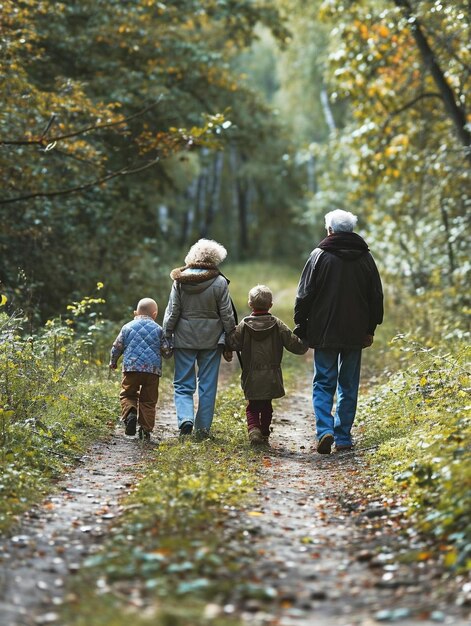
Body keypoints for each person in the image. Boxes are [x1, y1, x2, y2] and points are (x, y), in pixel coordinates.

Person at [294, 209, 384, 454]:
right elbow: (376, 296)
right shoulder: (366, 258)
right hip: (356, 332)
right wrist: (370, 327)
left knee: (323, 381)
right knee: (348, 383)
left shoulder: (318, 256)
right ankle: (343, 436)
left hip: (324, 331)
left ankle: (325, 430)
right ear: (351, 230)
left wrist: (301, 324)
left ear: (330, 230)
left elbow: (304, 295)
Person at [163, 239, 236, 437]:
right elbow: (227, 314)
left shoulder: (180, 280)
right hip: (211, 341)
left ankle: (185, 419)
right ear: (215, 259)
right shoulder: (220, 282)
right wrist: (232, 336)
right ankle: (203, 429)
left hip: (184, 338)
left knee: (182, 383)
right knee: (208, 384)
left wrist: (166, 334)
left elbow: (172, 312)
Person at [226, 284, 308, 446]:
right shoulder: (277, 324)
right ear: (271, 305)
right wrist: (305, 341)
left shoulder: (244, 324)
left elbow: (234, 343)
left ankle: (254, 430)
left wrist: (228, 335)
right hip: (271, 375)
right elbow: (294, 345)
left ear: (250, 304)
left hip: (251, 374)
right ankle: (263, 432)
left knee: (252, 406)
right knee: (266, 406)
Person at [109, 297, 171, 441]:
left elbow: (117, 347)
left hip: (131, 368)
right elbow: (167, 352)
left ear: (135, 312)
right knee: (148, 401)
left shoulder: (127, 327)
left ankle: (131, 412)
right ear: (154, 314)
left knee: (128, 394)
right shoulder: (159, 329)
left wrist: (113, 361)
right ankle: (145, 430)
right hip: (152, 371)